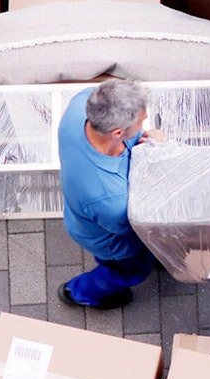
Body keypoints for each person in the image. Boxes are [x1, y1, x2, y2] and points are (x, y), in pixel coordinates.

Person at [56, 79, 163, 310]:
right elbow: (135, 226)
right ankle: (81, 293)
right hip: (110, 240)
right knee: (130, 270)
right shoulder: (111, 200)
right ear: (117, 132)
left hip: (82, 214)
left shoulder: (84, 103)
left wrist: (143, 139)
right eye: (141, 121)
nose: (144, 124)